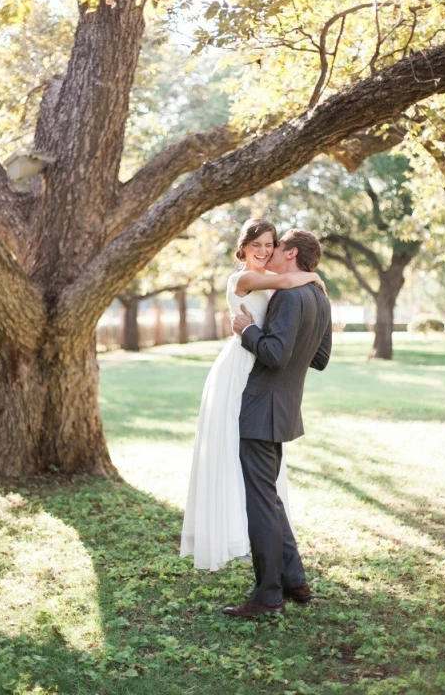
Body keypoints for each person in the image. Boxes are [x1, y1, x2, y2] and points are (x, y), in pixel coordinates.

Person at [180, 218, 326, 572]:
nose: (263, 251)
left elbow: (291, 326)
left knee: (260, 480)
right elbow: (291, 279)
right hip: (239, 370)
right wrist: (316, 278)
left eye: (269, 244)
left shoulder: (283, 289)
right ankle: (241, 542)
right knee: (238, 462)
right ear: (242, 247)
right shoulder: (243, 279)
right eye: (257, 245)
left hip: (263, 375)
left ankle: (272, 563)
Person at [222, 229, 332, 619]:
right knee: (269, 496)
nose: (272, 253)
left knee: (261, 502)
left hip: (259, 407)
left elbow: (273, 354)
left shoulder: (287, 295)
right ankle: (294, 579)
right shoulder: (319, 294)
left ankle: (268, 596)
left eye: (278, 245)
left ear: (290, 252)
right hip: (285, 407)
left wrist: (247, 330)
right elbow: (319, 358)